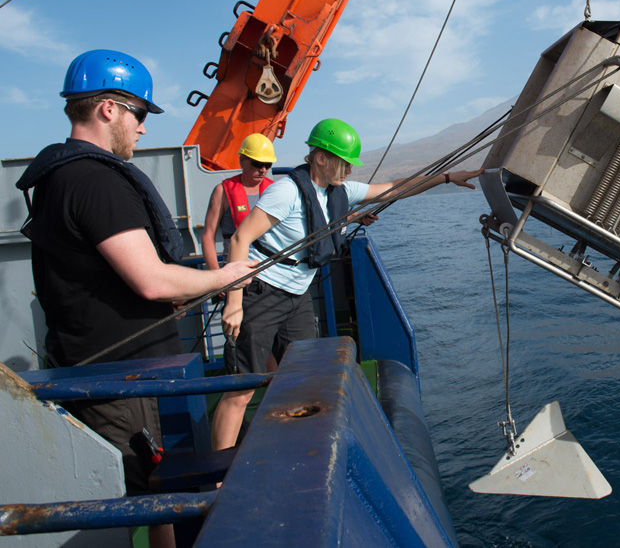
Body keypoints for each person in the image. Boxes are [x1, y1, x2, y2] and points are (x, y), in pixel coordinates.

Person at [16, 49, 256, 548]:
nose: (143, 129)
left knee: (155, 496)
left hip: (107, 368)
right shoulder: (94, 180)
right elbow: (151, 280)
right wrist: (227, 276)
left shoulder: (62, 177)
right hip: (120, 379)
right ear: (109, 109)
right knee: (146, 493)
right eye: (140, 114)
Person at [211, 118, 483, 451]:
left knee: (305, 376)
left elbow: (394, 188)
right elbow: (239, 240)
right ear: (321, 158)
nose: (350, 172)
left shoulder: (339, 192)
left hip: (297, 295)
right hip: (262, 292)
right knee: (242, 389)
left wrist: (445, 178)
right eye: (344, 163)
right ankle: (218, 477)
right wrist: (234, 303)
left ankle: (292, 445)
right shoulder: (286, 192)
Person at [201, 133, 277, 270]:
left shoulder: (274, 190)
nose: (263, 170)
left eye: (267, 165)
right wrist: (216, 275)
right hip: (236, 273)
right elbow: (208, 235)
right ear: (242, 160)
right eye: (257, 164)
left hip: (271, 274)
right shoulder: (222, 191)